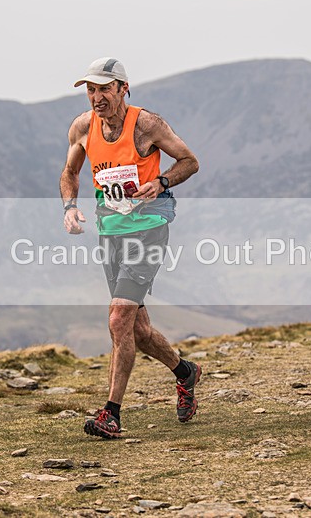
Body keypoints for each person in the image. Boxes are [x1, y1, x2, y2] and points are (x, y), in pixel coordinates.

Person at [59, 57, 201, 439]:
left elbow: (190, 161)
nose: (96, 97)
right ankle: (185, 372)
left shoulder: (146, 125)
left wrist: (163, 182)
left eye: (104, 89)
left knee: (119, 319)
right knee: (137, 329)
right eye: (90, 90)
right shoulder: (83, 127)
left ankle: (111, 414)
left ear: (123, 89)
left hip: (150, 228)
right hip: (111, 233)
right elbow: (70, 172)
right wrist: (70, 208)